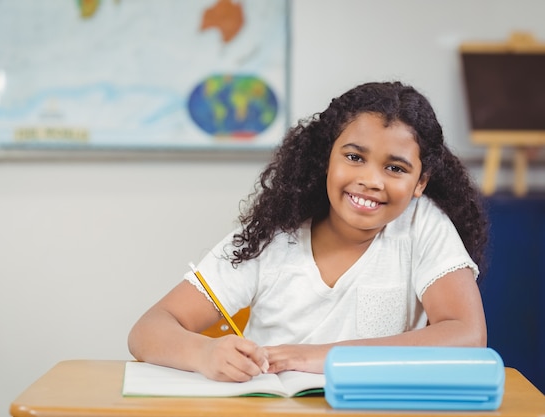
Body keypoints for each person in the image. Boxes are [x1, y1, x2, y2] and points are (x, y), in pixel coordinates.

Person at [128, 81, 488, 383]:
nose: (370, 181)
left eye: (395, 168)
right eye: (354, 157)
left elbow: (468, 335)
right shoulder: (273, 234)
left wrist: (316, 357)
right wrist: (205, 353)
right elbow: (148, 330)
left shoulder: (420, 225)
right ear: (327, 157)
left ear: (420, 182)